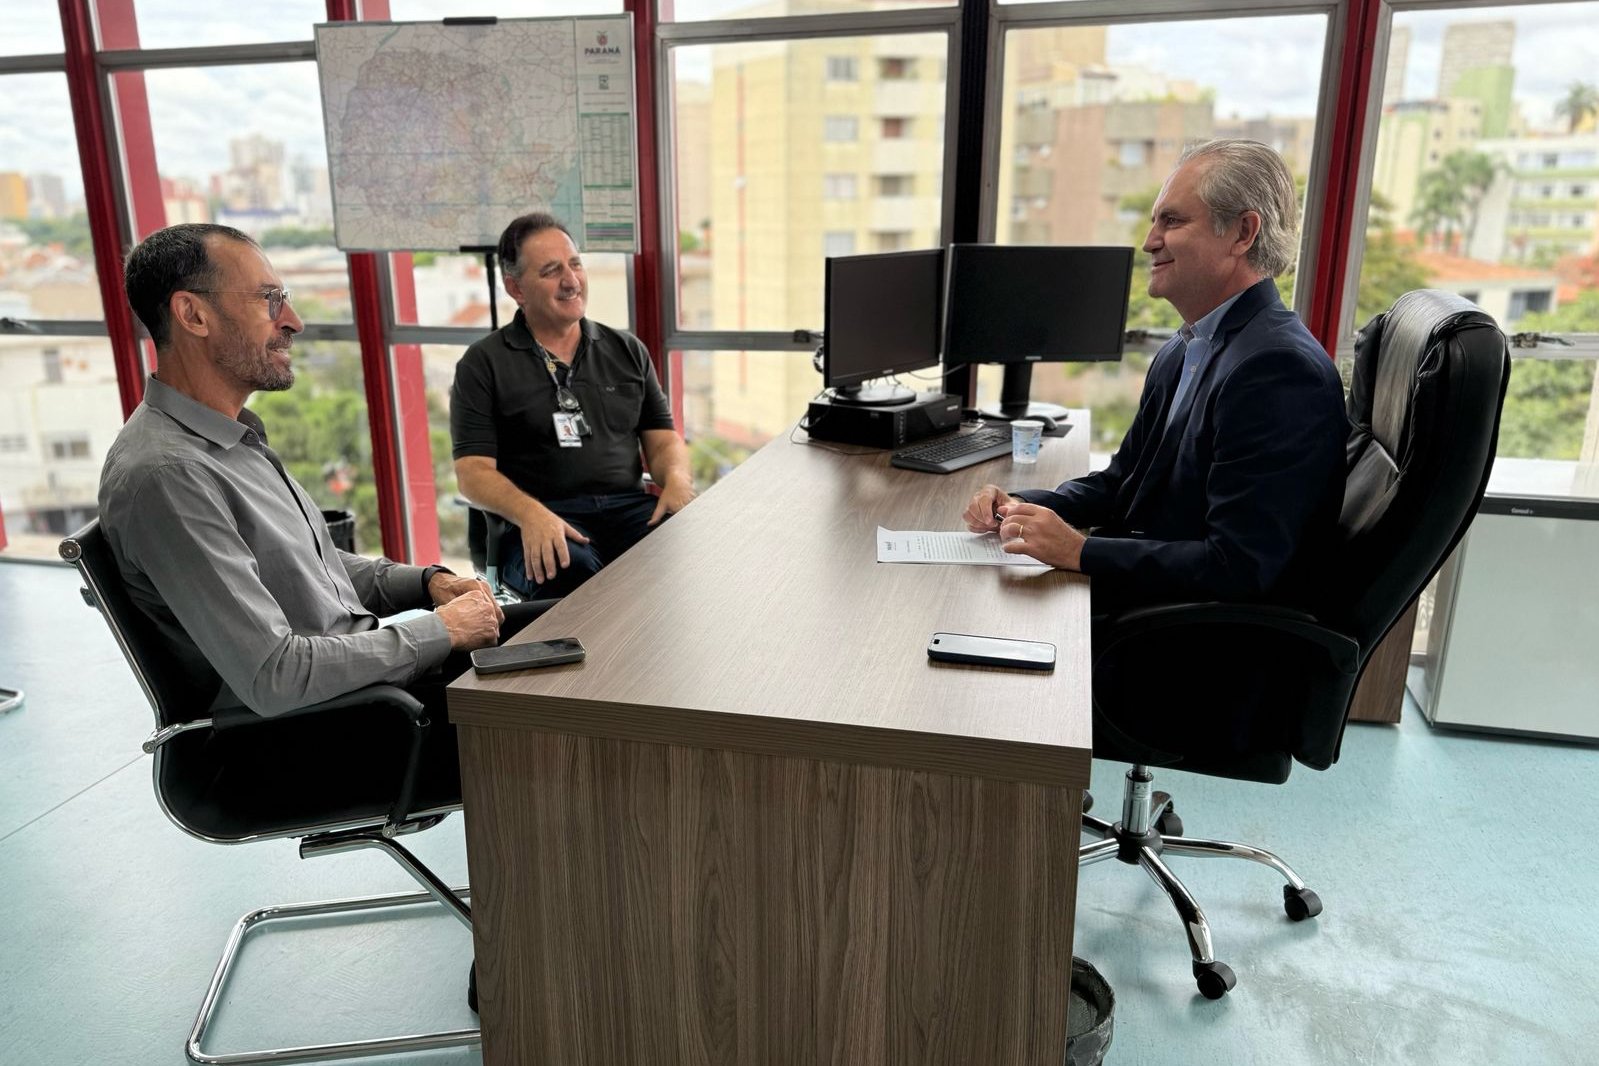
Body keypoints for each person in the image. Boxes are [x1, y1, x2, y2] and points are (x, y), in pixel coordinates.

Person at [99, 222, 547, 729]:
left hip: (364, 688)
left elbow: (311, 567)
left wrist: (425, 583)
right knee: (575, 702)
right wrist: (439, 630)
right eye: (269, 300)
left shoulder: (229, 439)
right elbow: (276, 675)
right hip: (323, 732)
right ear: (193, 315)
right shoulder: (169, 476)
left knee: (570, 627)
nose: (293, 321)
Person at [961, 139, 1348, 613]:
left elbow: (1241, 566)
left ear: (1242, 233)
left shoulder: (1278, 371)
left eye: (1172, 220)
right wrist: (1022, 505)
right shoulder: (1187, 347)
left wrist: (1078, 551)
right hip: (1148, 605)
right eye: (1154, 221)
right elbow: (1121, 483)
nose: (1149, 241)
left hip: (1184, 639)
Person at [450, 213, 695, 599]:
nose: (571, 281)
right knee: (572, 572)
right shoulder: (482, 364)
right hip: (540, 517)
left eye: (575, 264)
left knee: (688, 553)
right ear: (516, 287)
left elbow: (663, 442)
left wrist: (678, 481)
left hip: (627, 508)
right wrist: (530, 514)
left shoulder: (626, 350)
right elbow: (473, 473)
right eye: (551, 271)